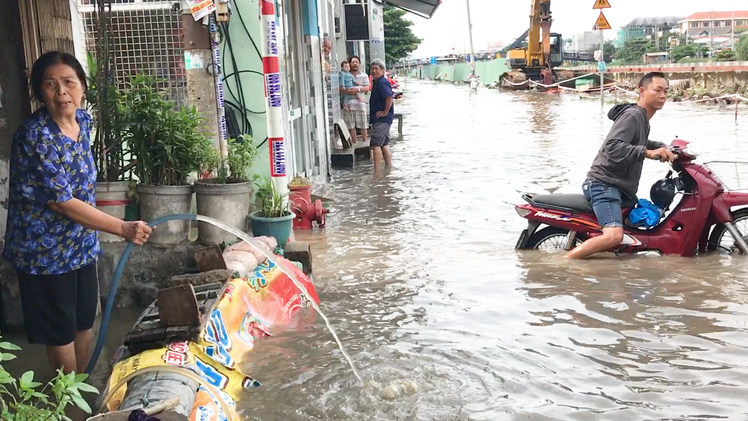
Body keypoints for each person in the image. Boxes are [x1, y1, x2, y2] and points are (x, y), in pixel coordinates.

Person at [2, 51, 152, 374]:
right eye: (50, 84)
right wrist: (123, 228)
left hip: (80, 247)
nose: (61, 92)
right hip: (44, 253)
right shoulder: (36, 136)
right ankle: (65, 403)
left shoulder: (83, 121)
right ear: (40, 93)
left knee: (85, 322)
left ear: (82, 86)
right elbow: (61, 201)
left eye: (69, 82)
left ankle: (78, 390)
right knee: (59, 332)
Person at [565, 72, 675, 260]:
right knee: (614, 236)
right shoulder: (633, 115)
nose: (663, 95)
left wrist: (661, 146)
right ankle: (563, 263)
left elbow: (637, 140)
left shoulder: (642, 119)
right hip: (604, 185)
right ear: (642, 91)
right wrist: (648, 153)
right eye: (657, 90)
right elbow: (613, 146)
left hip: (620, 188)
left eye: (666, 91)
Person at [368, 59, 394, 172]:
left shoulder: (382, 82)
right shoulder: (378, 82)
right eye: (372, 69)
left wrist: (385, 112)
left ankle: (377, 172)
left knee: (376, 144)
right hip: (384, 119)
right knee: (384, 144)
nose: (374, 71)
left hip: (382, 119)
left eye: (376, 69)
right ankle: (389, 168)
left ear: (382, 70)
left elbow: (389, 97)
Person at [341, 56, 370, 144]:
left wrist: (357, 90)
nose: (355, 64)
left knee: (363, 125)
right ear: (349, 64)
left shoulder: (364, 75)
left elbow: (367, 88)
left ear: (359, 64)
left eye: (357, 62)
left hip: (360, 104)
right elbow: (340, 88)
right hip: (349, 104)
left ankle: (365, 143)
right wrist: (348, 91)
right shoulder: (344, 75)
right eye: (353, 62)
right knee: (350, 125)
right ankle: (355, 142)